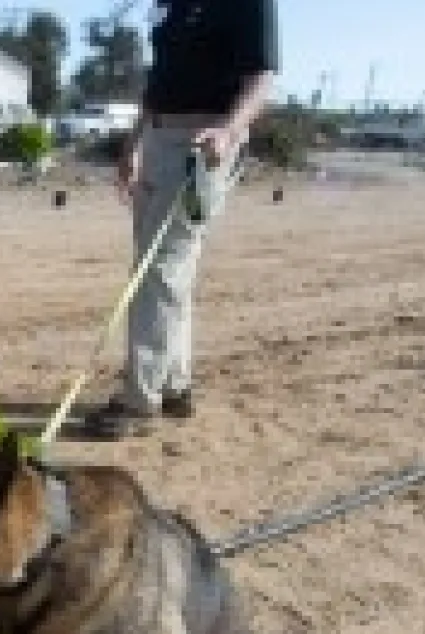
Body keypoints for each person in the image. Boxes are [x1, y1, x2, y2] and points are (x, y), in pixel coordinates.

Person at [79, 0, 280, 439]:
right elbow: (159, 81)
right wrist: (134, 144)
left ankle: (140, 398)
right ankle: (173, 384)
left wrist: (229, 130)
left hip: (202, 143)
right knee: (169, 271)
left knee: (160, 268)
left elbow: (262, 76)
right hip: (158, 139)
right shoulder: (174, 6)